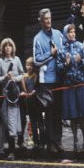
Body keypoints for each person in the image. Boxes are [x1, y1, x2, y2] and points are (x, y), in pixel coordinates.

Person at [33, 8, 64, 153]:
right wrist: (50, 54)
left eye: (50, 18)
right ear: (41, 21)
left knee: (59, 112)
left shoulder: (58, 34)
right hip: (47, 81)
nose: (49, 21)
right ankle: (51, 142)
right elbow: (36, 60)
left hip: (60, 78)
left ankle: (58, 140)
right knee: (49, 113)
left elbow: (63, 51)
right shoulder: (37, 38)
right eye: (46, 18)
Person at [57, 24, 84, 152]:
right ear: (66, 34)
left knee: (83, 114)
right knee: (73, 115)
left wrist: (81, 60)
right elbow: (58, 69)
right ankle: (75, 140)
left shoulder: (81, 46)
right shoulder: (61, 50)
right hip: (69, 86)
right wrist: (66, 64)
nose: (73, 34)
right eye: (70, 32)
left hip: (80, 84)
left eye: (74, 31)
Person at [0, 38, 24, 160]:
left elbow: (23, 74)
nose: (7, 48)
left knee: (19, 120)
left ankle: (20, 144)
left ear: (12, 48)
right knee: (9, 121)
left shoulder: (16, 60)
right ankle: (11, 150)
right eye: (5, 46)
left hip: (16, 95)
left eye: (9, 46)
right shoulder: (0, 62)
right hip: (6, 96)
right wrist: (5, 77)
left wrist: (15, 79)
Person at [22, 57, 41, 149]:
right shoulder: (24, 76)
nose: (29, 67)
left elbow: (37, 87)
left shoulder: (36, 76)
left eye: (30, 65)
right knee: (32, 121)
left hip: (36, 101)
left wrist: (34, 92)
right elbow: (24, 89)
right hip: (28, 101)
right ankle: (35, 140)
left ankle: (40, 140)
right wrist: (25, 93)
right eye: (27, 65)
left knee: (39, 122)